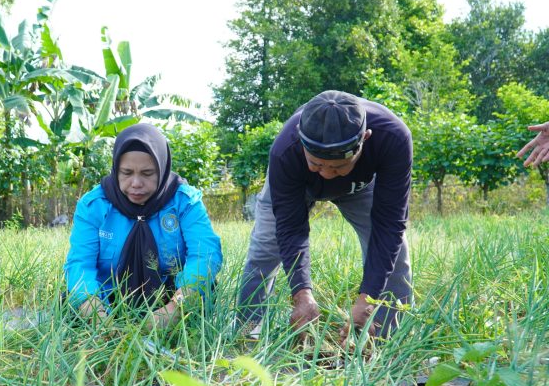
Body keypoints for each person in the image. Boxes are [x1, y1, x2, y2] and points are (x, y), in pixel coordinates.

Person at [238, 90, 413, 340]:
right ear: (301, 141)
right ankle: (246, 334)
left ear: (365, 138)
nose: (327, 174)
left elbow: (390, 225)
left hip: (359, 187)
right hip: (296, 185)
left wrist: (368, 298)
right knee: (265, 249)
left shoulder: (393, 137)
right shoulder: (285, 150)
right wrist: (302, 293)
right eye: (317, 164)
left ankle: (390, 337)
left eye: (339, 165)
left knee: (395, 256)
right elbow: (290, 229)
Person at [64, 123, 222, 329]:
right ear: (115, 170)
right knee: (73, 300)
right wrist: (97, 315)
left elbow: (206, 255)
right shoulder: (93, 205)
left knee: (204, 292)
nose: (136, 183)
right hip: (105, 303)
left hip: (173, 300)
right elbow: (79, 264)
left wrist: (174, 310)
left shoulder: (185, 202)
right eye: (126, 173)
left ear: (162, 168)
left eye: (147, 173)